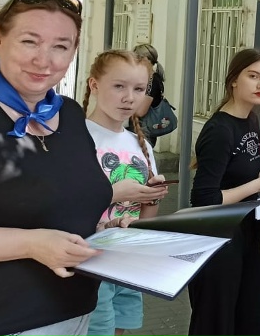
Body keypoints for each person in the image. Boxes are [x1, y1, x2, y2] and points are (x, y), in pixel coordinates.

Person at [0, 0, 130, 336]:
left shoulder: (69, 113)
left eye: (60, 46)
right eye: (29, 42)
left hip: (75, 314)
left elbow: (59, 206)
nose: (44, 60)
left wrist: (101, 235)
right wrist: (31, 244)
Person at [187, 48, 260, 336]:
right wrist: (259, 185)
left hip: (245, 232)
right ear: (234, 79)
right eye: (254, 76)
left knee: (247, 317)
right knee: (216, 322)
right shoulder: (220, 130)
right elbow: (205, 200)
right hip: (217, 237)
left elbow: (239, 174)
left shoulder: (250, 120)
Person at [82, 50, 170, 336]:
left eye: (139, 89)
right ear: (94, 84)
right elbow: (62, 205)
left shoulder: (140, 144)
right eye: (119, 86)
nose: (129, 98)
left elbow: (146, 218)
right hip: (89, 263)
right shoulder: (77, 138)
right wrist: (114, 193)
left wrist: (152, 195)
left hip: (128, 260)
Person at [132, 44, 166, 147]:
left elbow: (141, 111)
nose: (134, 62)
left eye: (137, 58)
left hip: (144, 131)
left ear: (146, 59)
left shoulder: (153, 81)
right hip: (139, 128)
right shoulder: (147, 78)